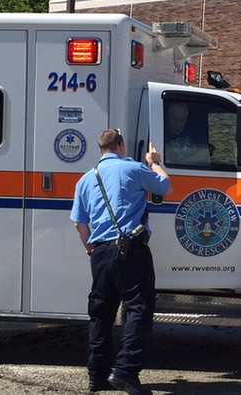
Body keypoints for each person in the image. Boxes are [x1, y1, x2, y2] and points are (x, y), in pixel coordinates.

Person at [71, 129, 171, 395]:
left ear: (101, 149)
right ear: (121, 145)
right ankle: (126, 371)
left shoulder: (85, 179)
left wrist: (91, 250)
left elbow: (80, 224)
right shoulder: (134, 169)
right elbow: (164, 186)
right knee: (138, 309)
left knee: (100, 315)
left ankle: (97, 377)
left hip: (100, 253)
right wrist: (155, 162)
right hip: (131, 251)